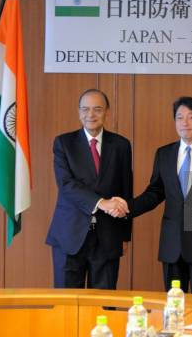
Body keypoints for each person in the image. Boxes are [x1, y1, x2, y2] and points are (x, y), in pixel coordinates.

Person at [120, 97, 192, 294]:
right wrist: (126, 208)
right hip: (172, 246)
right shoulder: (164, 154)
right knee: (174, 308)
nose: (185, 122)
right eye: (179, 117)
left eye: (191, 117)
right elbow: (155, 193)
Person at [46, 89, 132, 289]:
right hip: (70, 235)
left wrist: (125, 235)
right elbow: (66, 184)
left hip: (108, 236)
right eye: (85, 109)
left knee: (103, 304)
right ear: (78, 112)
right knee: (67, 305)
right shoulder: (64, 143)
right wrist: (102, 203)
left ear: (107, 112)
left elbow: (126, 189)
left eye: (97, 109)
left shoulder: (121, 145)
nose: (90, 115)